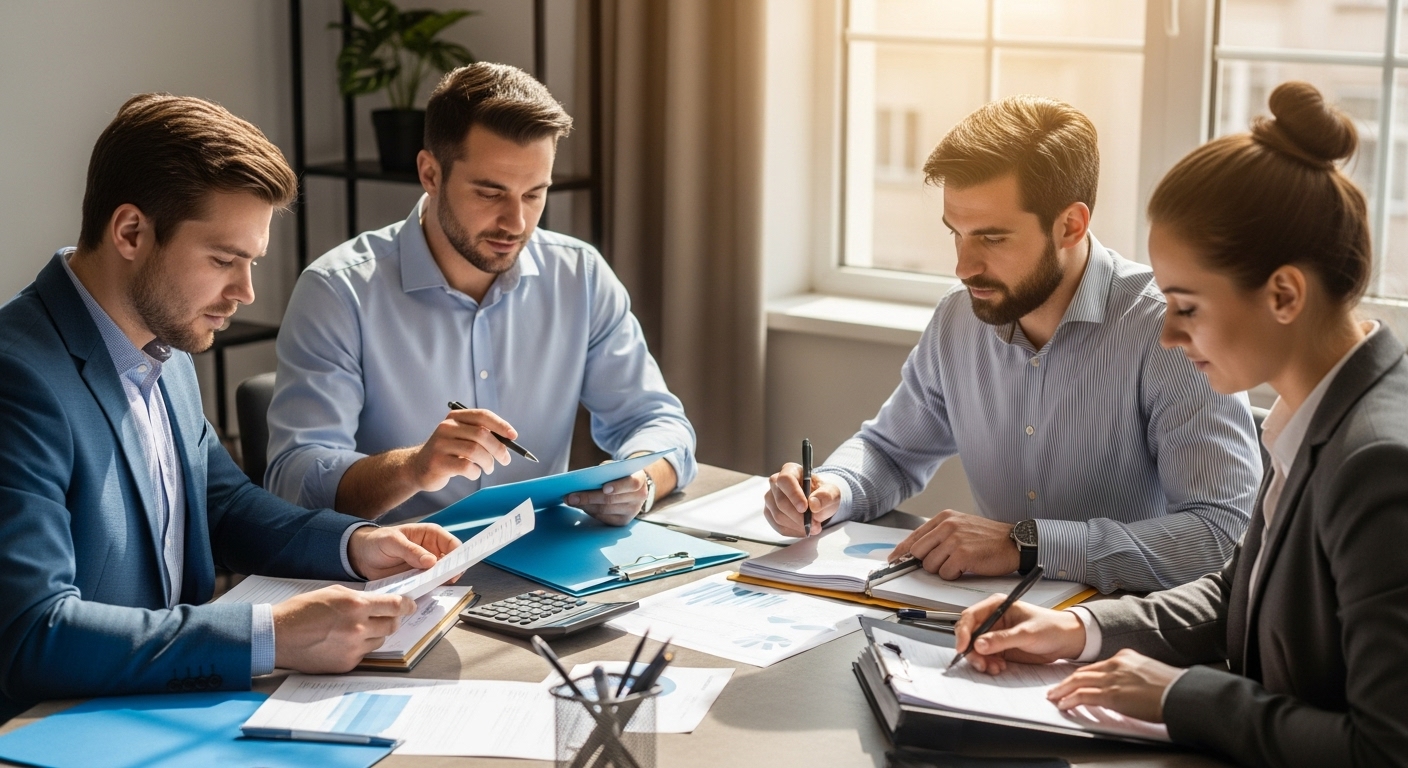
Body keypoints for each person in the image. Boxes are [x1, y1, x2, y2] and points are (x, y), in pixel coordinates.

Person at [950, 82, 1408, 767]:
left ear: (1284, 294)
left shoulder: (1378, 464)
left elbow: (1384, 748)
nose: (1166, 334)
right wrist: (1078, 628)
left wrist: (1179, 696)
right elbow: (1240, 591)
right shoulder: (1313, 416)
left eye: (1187, 307)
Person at [0, 94, 463, 720]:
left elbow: (222, 505)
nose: (244, 292)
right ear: (131, 231)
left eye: (250, 262)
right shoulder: (19, 378)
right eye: (223, 260)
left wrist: (356, 546)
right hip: (61, 727)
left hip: (167, 704)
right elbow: (33, 635)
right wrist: (269, 635)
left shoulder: (163, 349)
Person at [763, 96, 1262, 593]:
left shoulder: (1168, 332)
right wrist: (833, 489)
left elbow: (1221, 533)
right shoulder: (959, 318)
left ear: (1071, 225)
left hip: (1126, 634)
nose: (963, 266)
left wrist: (1028, 545)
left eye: (993, 238)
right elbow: (890, 451)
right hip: (989, 622)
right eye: (955, 233)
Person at [266, 62, 695, 524]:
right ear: (430, 173)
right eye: (491, 193)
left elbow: (658, 422)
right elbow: (295, 480)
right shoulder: (338, 292)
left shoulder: (581, 275)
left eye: (534, 194)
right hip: (400, 572)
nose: (517, 223)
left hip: (544, 558)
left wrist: (643, 480)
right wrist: (413, 468)